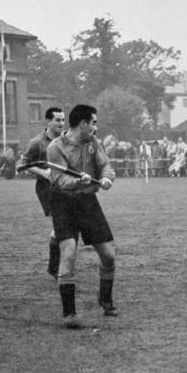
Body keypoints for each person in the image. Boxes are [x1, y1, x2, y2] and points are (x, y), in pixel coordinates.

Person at [47, 104, 116, 329]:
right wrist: (78, 180)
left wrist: (106, 178)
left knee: (109, 256)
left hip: (87, 202)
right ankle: (69, 314)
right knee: (68, 254)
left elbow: (105, 165)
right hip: (63, 203)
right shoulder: (55, 148)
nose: (96, 127)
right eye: (93, 122)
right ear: (83, 124)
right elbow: (60, 180)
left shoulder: (93, 143)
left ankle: (105, 299)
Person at [16, 107, 65, 279]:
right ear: (48, 122)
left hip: (66, 186)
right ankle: (55, 267)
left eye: (63, 120)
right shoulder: (37, 142)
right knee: (62, 223)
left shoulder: (66, 140)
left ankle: (55, 266)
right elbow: (21, 165)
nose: (61, 123)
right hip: (47, 189)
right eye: (58, 120)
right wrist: (43, 172)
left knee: (63, 225)